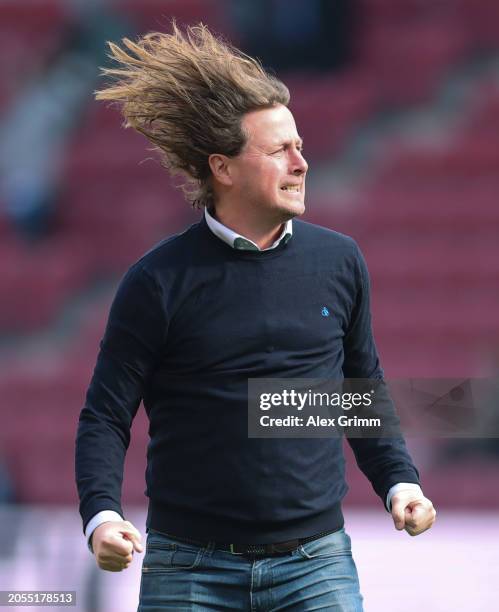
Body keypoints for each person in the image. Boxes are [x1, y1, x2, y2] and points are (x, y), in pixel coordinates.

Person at [75, 23, 436, 611]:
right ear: (223, 168)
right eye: (280, 151)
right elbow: (104, 416)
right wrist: (102, 516)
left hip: (316, 564)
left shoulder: (340, 260)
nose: (302, 163)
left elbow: (356, 391)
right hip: (187, 568)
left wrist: (401, 483)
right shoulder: (156, 281)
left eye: (299, 146)